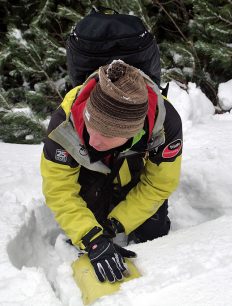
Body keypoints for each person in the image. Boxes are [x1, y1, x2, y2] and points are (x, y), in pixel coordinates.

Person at [40, 60, 182, 283]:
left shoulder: (165, 124)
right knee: (86, 230)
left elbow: (159, 184)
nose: (94, 141)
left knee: (153, 232)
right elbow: (59, 190)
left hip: (132, 169)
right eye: (91, 129)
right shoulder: (63, 122)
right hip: (88, 173)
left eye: (106, 137)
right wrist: (92, 238)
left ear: (132, 133)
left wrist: (117, 223)